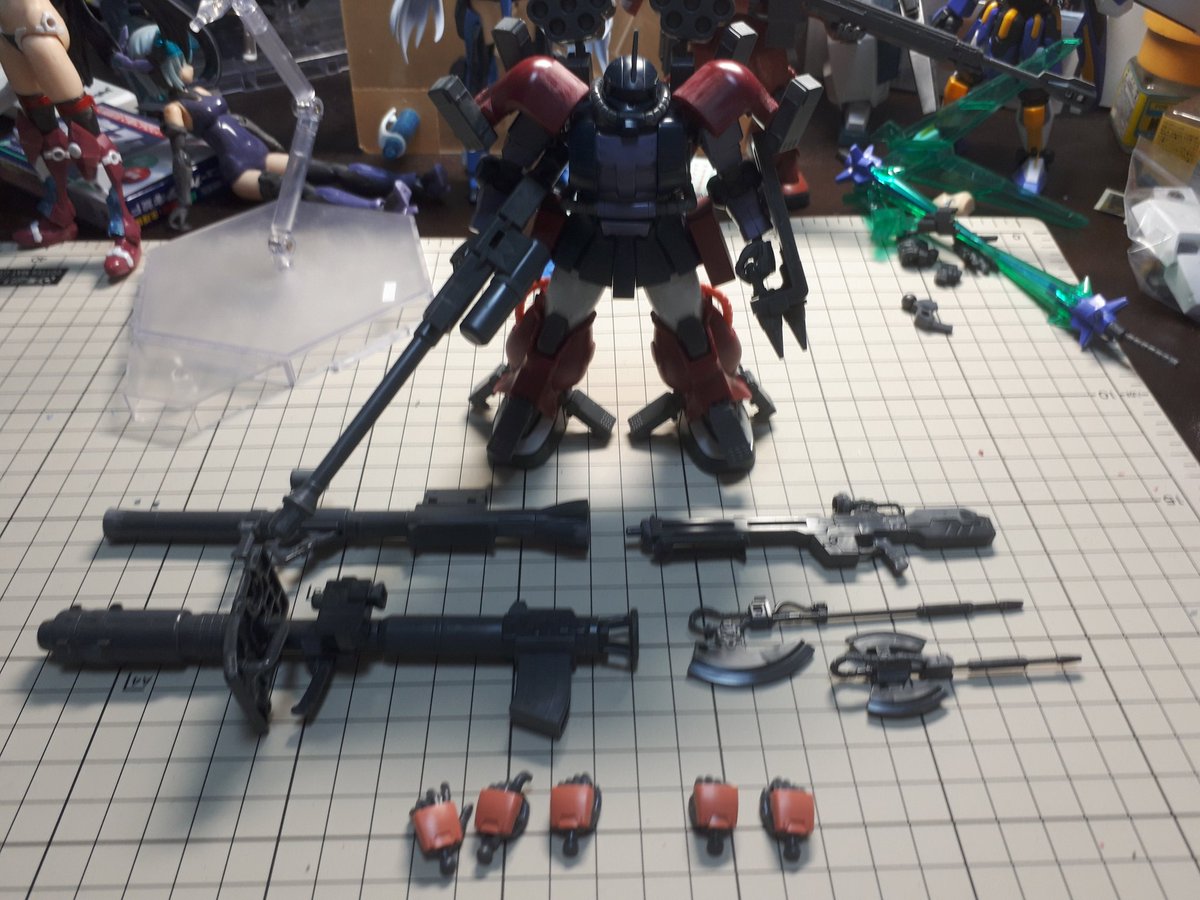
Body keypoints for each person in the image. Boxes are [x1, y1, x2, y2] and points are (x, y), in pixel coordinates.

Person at [0, 0, 141, 277]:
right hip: (6, 31)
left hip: (36, 26)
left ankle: (126, 232)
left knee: (86, 138)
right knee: (38, 133)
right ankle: (59, 215)